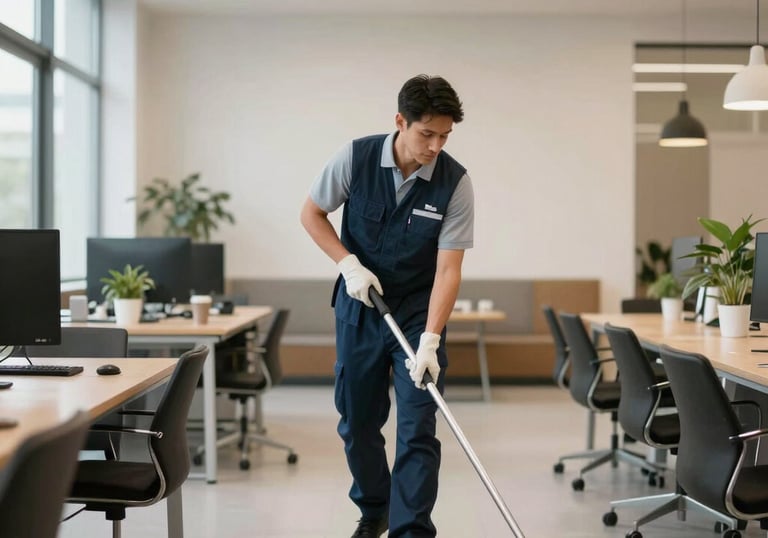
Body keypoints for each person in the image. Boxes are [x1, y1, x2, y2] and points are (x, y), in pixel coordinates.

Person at [300, 74, 474, 538]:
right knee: (358, 422)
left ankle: (411, 529)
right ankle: (374, 508)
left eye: (445, 136)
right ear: (400, 121)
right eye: (427, 133)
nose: (435, 145)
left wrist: (432, 340)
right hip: (360, 307)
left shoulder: (455, 183)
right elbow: (311, 213)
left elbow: (448, 270)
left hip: (418, 316)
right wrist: (348, 264)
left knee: (417, 425)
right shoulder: (355, 158)